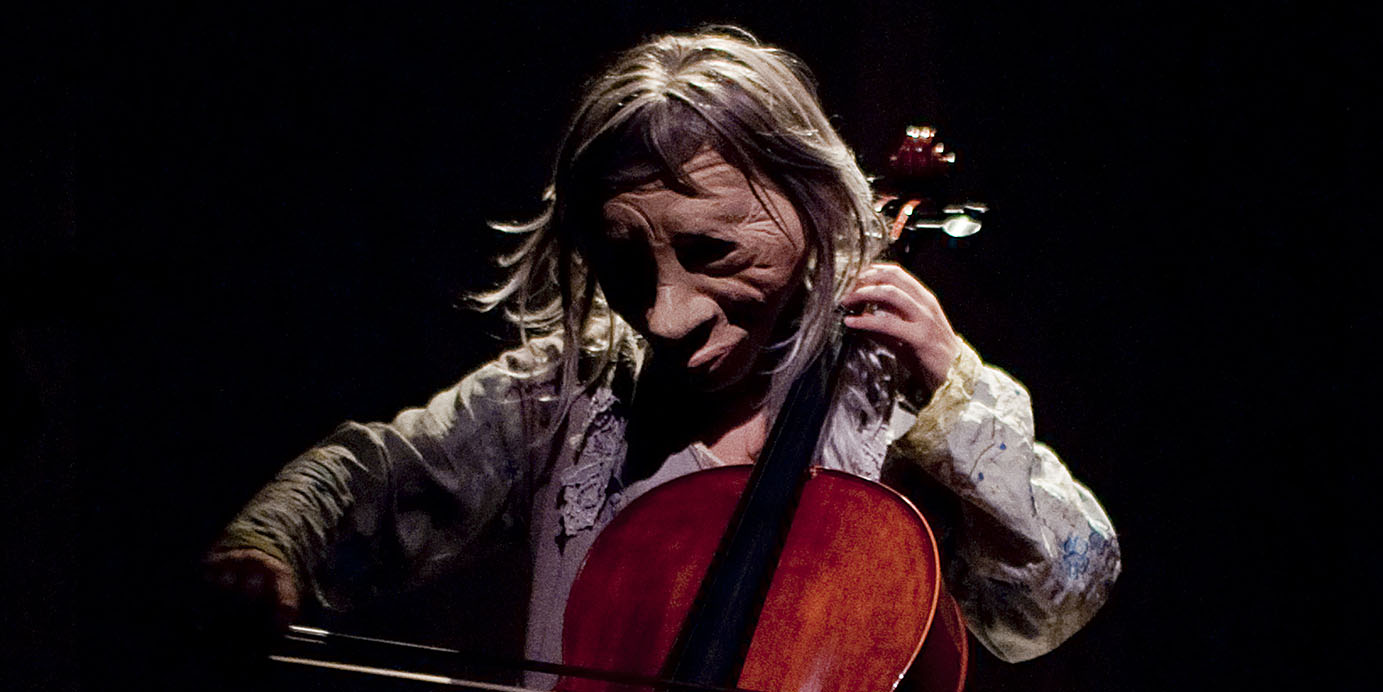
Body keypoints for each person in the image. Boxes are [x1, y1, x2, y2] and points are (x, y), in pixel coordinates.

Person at [204, 27, 1120, 682]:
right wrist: (266, 547)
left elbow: (1055, 601)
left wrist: (959, 404)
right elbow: (375, 476)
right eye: (623, 265)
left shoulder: (896, 394)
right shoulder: (574, 390)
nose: (664, 314)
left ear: (812, 207)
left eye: (711, 250)